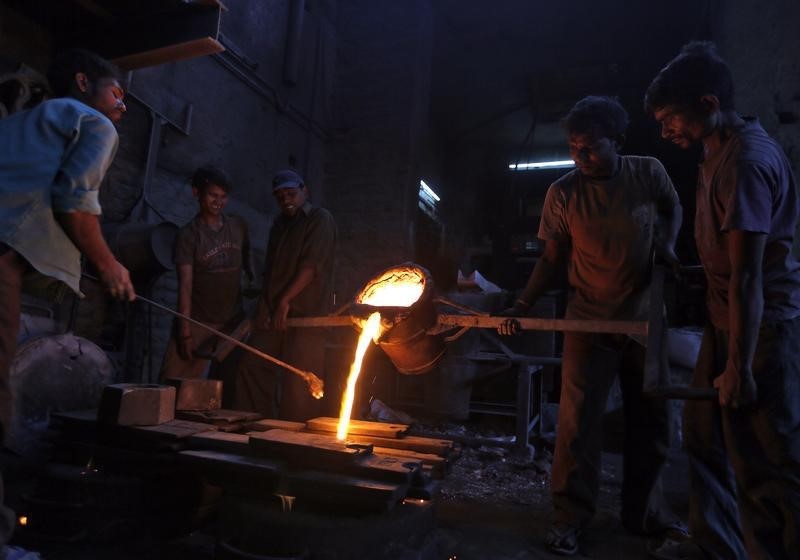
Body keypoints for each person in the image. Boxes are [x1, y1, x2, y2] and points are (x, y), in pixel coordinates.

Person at [499, 96, 684, 555]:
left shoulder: (648, 173)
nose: (580, 156)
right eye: (574, 147)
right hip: (588, 319)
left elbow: (670, 208)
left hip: (644, 316)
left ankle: (644, 514)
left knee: (652, 420)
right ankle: (570, 517)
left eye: (591, 147)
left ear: (617, 141)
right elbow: (551, 258)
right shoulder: (563, 193)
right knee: (577, 423)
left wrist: (667, 244)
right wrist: (523, 303)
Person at [645, 41, 800, 560]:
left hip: (760, 329)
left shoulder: (746, 164)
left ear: (709, 104)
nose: (667, 131)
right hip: (723, 319)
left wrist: (740, 367)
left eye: (672, 119)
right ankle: (718, 547)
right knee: (705, 437)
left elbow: (748, 277)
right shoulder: (715, 149)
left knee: (767, 463)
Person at [0, 49, 135, 557]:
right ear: (83, 83)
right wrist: (109, 266)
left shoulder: (17, 126)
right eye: (115, 90)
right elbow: (76, 203)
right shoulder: (92, 121)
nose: (121, 103)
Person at [234, 169, 336, 421]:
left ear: (305, 191)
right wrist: (265, 306)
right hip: (275, 313)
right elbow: (271, 271)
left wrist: (285, 301)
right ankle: (256, 427)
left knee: (300, 382)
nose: (286, 200)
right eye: (280, 197)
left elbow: (311, 267)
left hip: (307, 316)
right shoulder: (279, 225)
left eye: (291, 194)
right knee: (253, 366)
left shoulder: (319, 219)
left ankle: (296, 443)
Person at [159, 166, 252, 382]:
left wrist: (248, 317)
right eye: (212, 195)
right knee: (175, 385)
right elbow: (185, 286)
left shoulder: (238, 227)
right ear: (196, 193)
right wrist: (185, 331)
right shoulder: (189, 235)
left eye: (223, 196)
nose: (218, 201)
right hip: (198, 323)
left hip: (231, 323)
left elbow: (249, 271)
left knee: (221, 387)